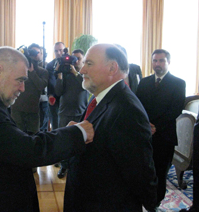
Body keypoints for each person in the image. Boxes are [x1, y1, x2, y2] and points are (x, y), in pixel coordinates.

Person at [0, 46, 94, 212]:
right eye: (20, 80)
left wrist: (62, 132)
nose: (22, 88)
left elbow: (16, 138)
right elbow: (30, 150)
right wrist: (78, 133)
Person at [64, 43, 158, 212]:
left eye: (89, 63)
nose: (82, 70)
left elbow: (140, 173)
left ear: (112, 68)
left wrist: (149, 205)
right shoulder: (102, 98)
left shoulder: (127, 110)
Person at [136, 49, 186, 209]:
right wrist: (146, 125)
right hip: (145, 134)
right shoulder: (144, 82)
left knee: (160, 172)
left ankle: (155, 203)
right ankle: (143, 198)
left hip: (165, 136)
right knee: (143, 170)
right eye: (155, 61)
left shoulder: (179, 83)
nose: (158, 64)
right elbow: (137, 106)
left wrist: (157, 127)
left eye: (161, 61)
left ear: (168, 62)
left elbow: (176, 109)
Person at [54, 49, 88, 178]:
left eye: (78, 58)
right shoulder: (65, 73)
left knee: (79, 140)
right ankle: (64, 166)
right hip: (64, 112)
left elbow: (84, 86)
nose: (75, 61)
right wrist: (59, 75)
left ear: (83, 60)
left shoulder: (85, 74)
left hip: (80, 112)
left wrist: (75, 72)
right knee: (64, 140)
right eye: (74, 58)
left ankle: (77, 167)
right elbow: (58, 92)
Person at [11, 43, 48, 135]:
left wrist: (32, 72)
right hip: (17, 108)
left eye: (37, 52)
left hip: (33, 110)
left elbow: (41, 85)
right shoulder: (19, 69)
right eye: (32, 52)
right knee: (17, 135)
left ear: (41, 54)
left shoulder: (43, 71)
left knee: (34, 137)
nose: (35, 55)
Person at [46, 42, 65, 130]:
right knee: (55, 124)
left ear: (64, 50)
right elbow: (50, 82)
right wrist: (50, 95)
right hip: (54, 97)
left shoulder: (71, 64)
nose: (58, 53)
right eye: (56, 51)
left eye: (60, 50)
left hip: (68, 98)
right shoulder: (50, 65)